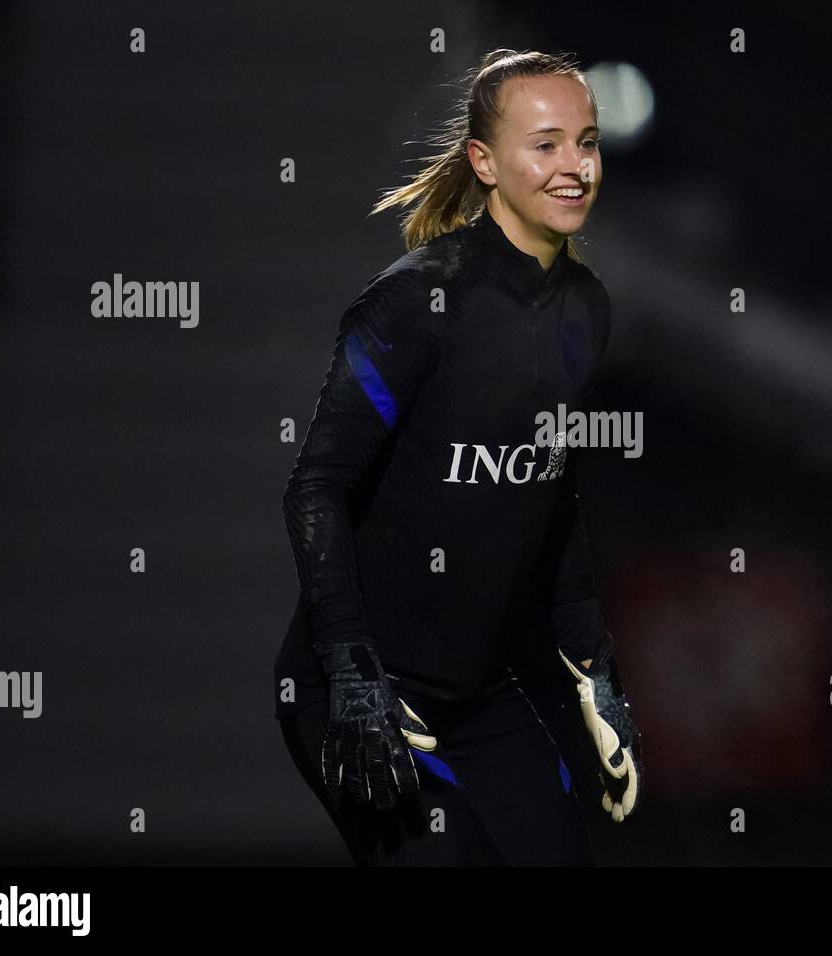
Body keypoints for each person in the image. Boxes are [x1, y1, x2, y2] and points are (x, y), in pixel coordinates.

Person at [272, 48, 641, 866]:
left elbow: (551, 495)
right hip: (359, 691)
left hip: (480, 696)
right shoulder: (416, 301)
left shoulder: (585, 309)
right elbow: (315, 489)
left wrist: (596, 671)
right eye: (544, 144)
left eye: (586, 142)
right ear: (484, 161)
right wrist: (353, 676)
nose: (574, 166)